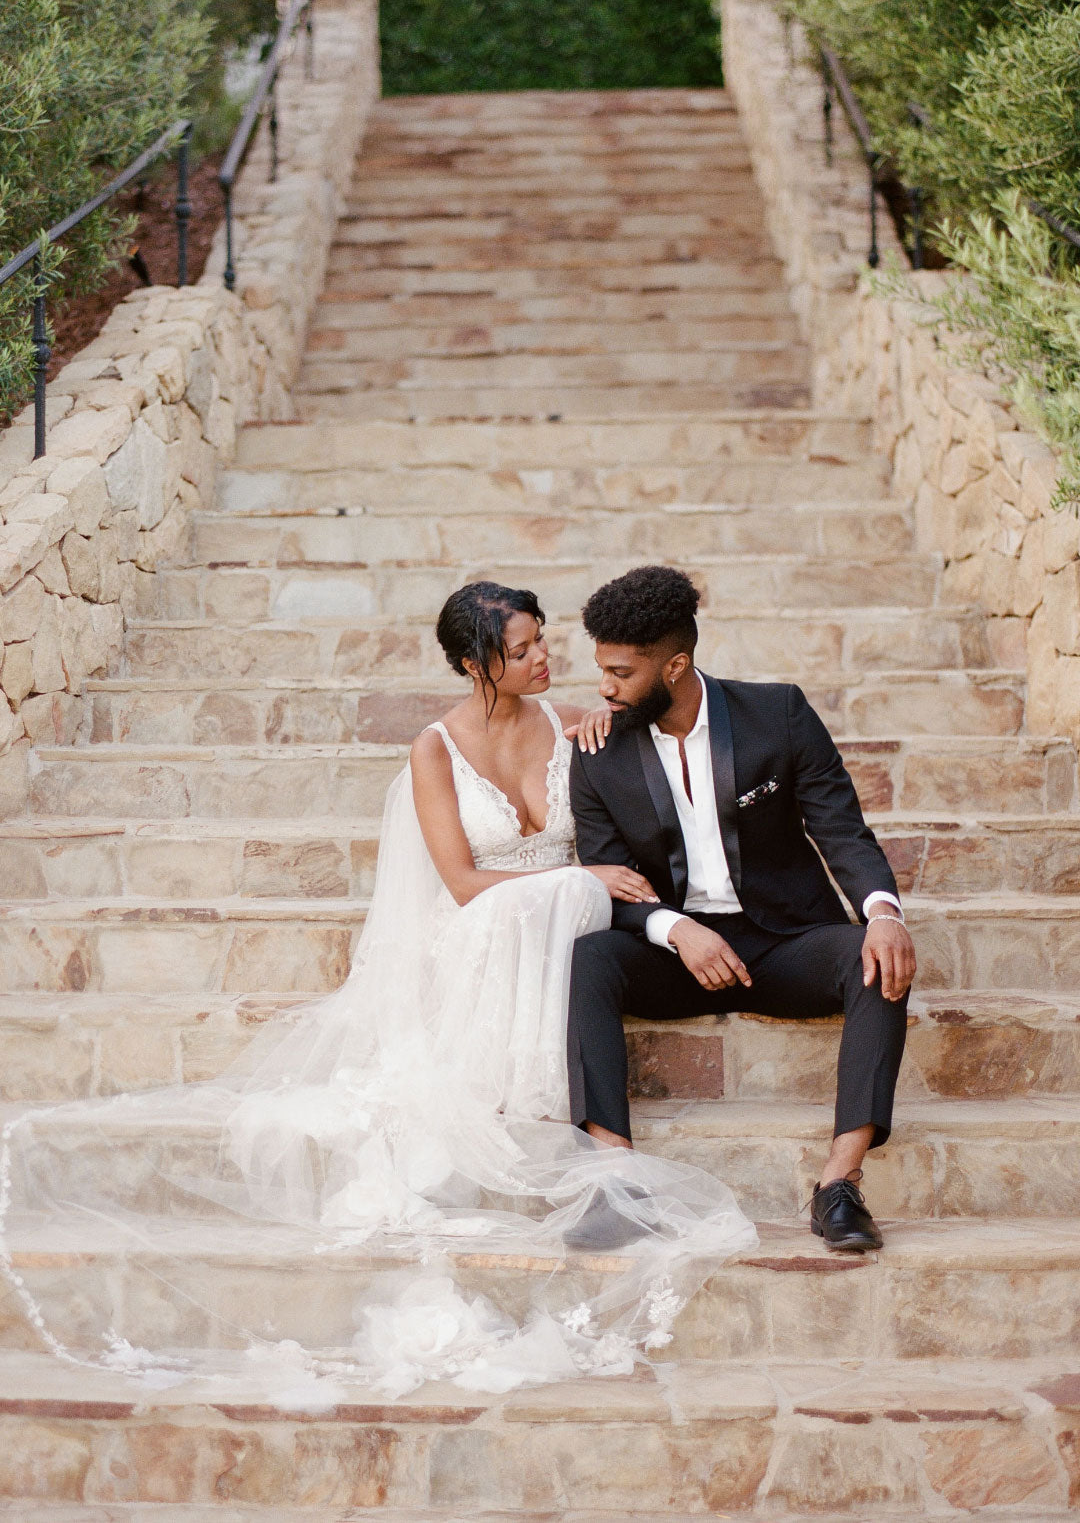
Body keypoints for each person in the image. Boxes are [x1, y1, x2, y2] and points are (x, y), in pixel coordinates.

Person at [0, 580, 756, 1403]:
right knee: (571, 895)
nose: (546, 658)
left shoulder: (573, 724)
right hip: (480, 925)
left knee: (574, 899)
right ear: (477, 665)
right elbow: (464, 884)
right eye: (524, 650)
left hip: (549, 932)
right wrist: (580, 875)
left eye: (543, 642)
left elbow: (655, 728)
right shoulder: (435, 750)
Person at [568, 566, 916, 1253]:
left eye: (621, 672)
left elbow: (842, 830)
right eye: (602, 670)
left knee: (877, 957)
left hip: (783, 940)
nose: (605, 688)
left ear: (675, 665)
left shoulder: (777, 715)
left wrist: (883, 913)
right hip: (675, 955)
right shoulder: (598, 754)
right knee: (586, 957)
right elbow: (608, 879)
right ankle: (615, 1180)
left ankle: (839, 1184)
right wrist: (676, 929)